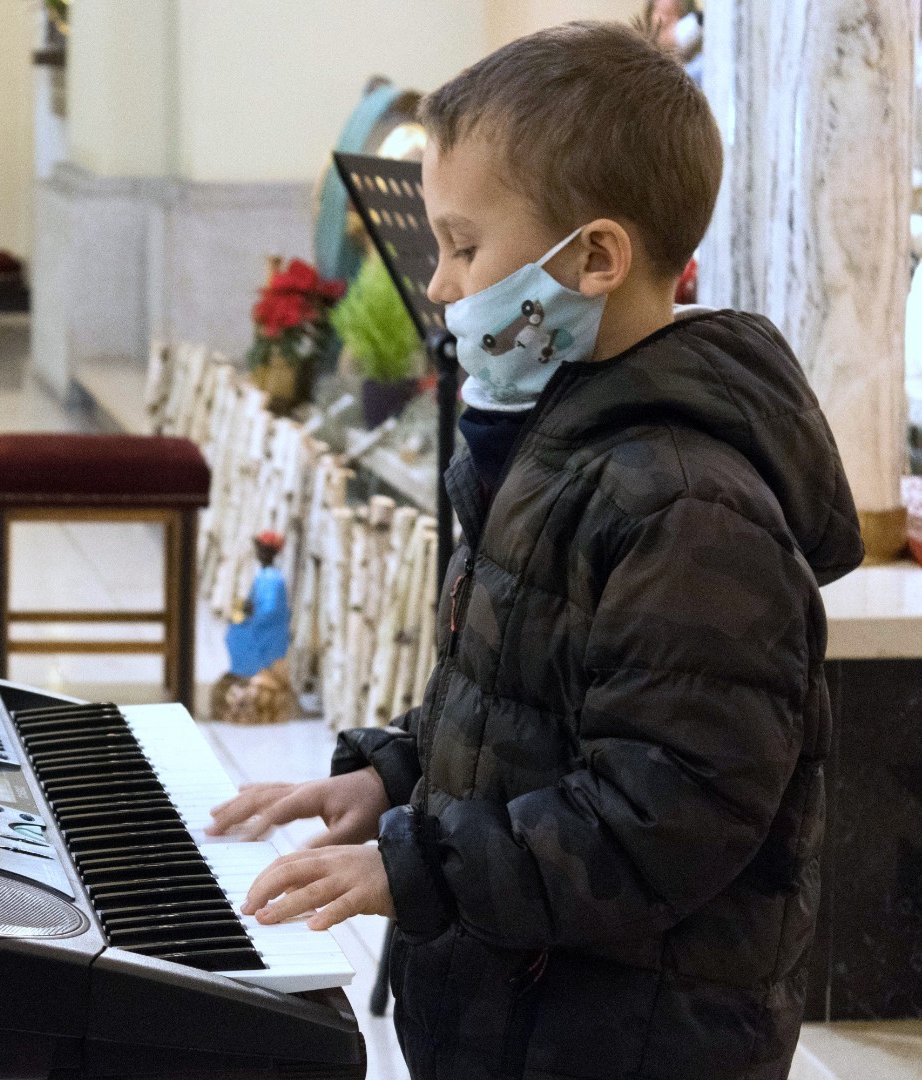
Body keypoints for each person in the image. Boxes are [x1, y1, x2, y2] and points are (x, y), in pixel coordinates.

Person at [208, 21, 863, 1080]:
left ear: (596, 258)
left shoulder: (689, 509)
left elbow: (665, 816)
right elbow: (522, 701)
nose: (439, 285)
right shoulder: (563, 443)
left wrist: (419, 867)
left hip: (625, 1040)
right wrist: (394, 777)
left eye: (464, 246)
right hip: (518, 1014)